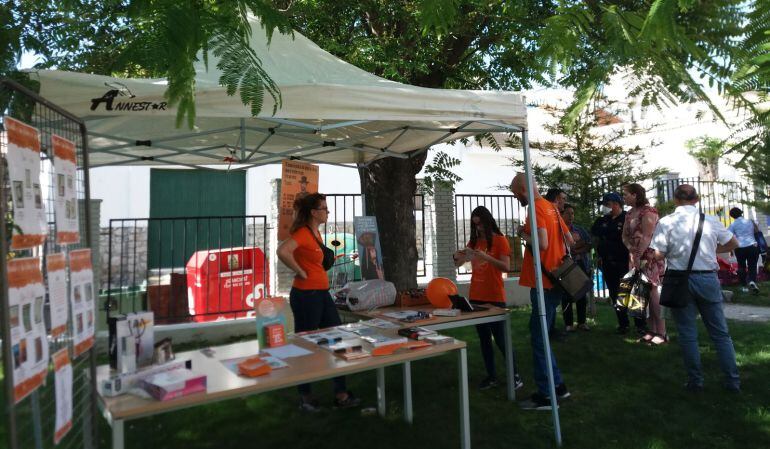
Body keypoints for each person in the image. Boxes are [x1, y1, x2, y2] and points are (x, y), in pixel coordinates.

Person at [650, 184, 740, 392]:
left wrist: (672, 253)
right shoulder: (710, 220)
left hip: (679, 280)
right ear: (697, 199)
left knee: (687, 333)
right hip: (707, 278)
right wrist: (713, 250)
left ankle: (695, 381)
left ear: (675, 200)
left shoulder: (666, 222)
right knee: (720, 333)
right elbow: (733, 242)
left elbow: (659, 255)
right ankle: (732, 381)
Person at [276, 193, 361, 411]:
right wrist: (300, 271)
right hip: (306, 296)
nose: (327, 212)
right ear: (314, 213)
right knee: (306, 344)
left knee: (336, 339)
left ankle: (341, 394)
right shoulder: (304, 233)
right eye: (324, 208)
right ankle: (305, 397)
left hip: (321, 294)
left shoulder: (315, 233)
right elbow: (282, 251)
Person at [509, 173, 573, 410]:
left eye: (515, 193)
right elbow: (570, 238)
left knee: (538, 338)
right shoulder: (552, 207)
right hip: (558, 280)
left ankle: (546, 394)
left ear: (523, 189)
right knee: (541, 336)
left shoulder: (536, 208)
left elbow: (542, 243)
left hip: (544, 281)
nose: (515, 197)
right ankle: (558, 387)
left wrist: (522, 234)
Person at [453, 206, 523, 391]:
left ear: (487, 221)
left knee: (501, 338)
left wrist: (485, 257)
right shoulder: (474, 241)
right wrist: (458, 257)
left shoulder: (500, 240)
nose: (479, 228)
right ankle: (491, 376)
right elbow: (459, 263)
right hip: (476, 296)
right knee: (484, 338)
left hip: (494, 296)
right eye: (475, 225)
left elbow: (506, 268)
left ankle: (515, 375)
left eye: (481, 224)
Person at [591, 192, 646, 335]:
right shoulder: (602, 220)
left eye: (606, 204)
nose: (604, 207)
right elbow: (595, 237)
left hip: (625, 262)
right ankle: (623, 324)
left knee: (633, 293)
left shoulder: (628, 218)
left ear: (616, 204)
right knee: (616, 295)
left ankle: (640, 325)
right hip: (608, 263)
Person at [622, 183, 666, 345]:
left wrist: (639, 256)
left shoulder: (649, 212)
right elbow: (625, 236)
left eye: (626, 194)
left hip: (649, 256)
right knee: (642, 293)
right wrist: (632, 251)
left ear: (635, 195)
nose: (624, 197)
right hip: (635, 255)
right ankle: (651, 330)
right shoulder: (629, 214)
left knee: (652, 292)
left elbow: (648, 236)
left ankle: (661, 332)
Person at [561, 204, 591, 331]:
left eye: (572, 213)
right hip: (565, 267)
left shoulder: (579, 230)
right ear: (561, 215)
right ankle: (569, 324)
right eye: (568, 213)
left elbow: (588, 245)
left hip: (580, 265)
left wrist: (576, 249)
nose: (571, 216)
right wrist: (576, 245)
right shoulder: (558, 230)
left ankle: (582, 322)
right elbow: (563, 248)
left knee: (581, 294)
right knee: (566, 296)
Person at [727, 207, 760, 295]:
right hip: (753, 246)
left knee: (741, 266)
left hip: (740, 247)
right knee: (752, 265)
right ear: (741, 213)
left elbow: (729, 236)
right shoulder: (750, 221)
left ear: (732, 216)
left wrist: (730, 248)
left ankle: (744, 286)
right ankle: (752, 281)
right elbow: (757, 231)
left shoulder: (733, 225)